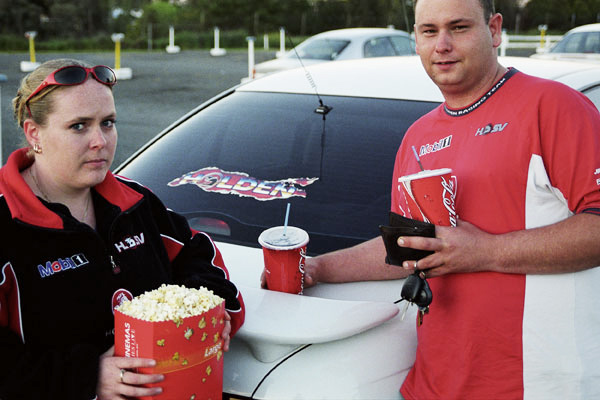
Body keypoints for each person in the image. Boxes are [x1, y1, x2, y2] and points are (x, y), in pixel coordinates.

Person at [296, 0, 600, 398]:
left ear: (494, 30)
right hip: (434, 385)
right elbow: (409, 247)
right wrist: (317, 268)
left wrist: (486, 252)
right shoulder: (418, 136)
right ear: (416, 41)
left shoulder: (554, 106)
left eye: (458, 27)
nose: (442, 45)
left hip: (536, 386)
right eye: (429, 31)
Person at [0, 58, 245, 400]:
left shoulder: (136, 203)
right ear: (34, 134)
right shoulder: (8, 224)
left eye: (108, 123)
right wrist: (85, 378)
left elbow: (198, 255)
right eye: (79, 126)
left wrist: (207, 311)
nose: (100, 141)